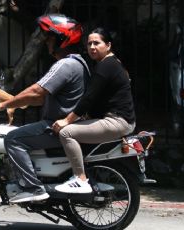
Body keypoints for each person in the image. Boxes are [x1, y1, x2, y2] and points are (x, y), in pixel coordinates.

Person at [0, 14, 90, 203]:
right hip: (63, 125)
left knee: (13, 138)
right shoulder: (78, 63)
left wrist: (3, 104)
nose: (47, 42)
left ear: (61, 39)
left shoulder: (65, 64)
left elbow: (37, 91)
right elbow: (39, 99)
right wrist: (19, 102)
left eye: (50, 37)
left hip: (56, 127)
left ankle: (32, 187)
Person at [52, 27, 136, 194]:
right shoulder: (111, 64)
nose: (92, 47)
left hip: (116, 121)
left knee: (66, 133)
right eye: (89, 43)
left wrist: (67, 120)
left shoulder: (106, 66)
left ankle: (80, 179)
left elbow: (89, 98)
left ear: (108, 45)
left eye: (97, 43)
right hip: (119, 120)